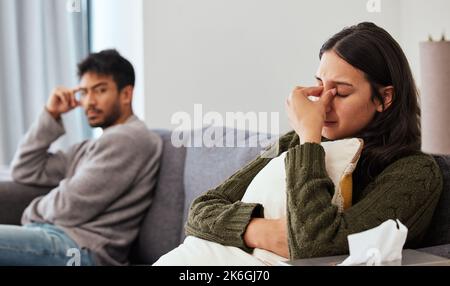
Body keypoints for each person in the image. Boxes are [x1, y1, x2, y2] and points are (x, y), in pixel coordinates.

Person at [154, 22, 443, 265]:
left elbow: (314, 246)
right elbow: (202, 208)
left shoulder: (415, 172)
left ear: (384, 98)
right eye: (319, 86)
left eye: (340, 93)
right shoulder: (292, 141)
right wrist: (262, 232)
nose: (323, 104)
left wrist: (309, 141)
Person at [0, 49, 162, 266]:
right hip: (56, 237)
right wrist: (51, 114)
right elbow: (25, 169)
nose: (89, 102)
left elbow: (68, 206)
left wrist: (33, 210)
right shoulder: (90, 147)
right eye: (84, 93)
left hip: (79, 249)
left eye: (100, 90)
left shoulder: (130, 139)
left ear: (126, 94)